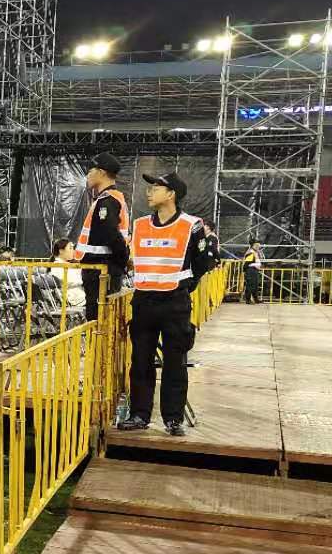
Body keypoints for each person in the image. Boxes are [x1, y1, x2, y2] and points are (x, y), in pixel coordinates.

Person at [117, 172, 214, 437]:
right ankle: (139, 415)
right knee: (140, 361)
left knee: (175, 363)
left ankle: (173, 419)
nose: (149, 192)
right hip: (144, 302)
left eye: (156, 188)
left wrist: (184, 286)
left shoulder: (191, 225)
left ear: (171, 194)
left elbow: (203, 262)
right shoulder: (140, 225)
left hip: (174, 303)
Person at [74, 152, 130, 321]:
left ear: (101, 172)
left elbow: (111, 235)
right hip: (103, 268)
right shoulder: (110, 198)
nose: (88, 175)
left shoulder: (107, 201)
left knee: (99, 319)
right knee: (103, 317)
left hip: (102, 270)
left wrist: (123, 259)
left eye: (90, 171)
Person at [52, 237, 86, 309]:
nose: (73, 251)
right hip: (74, 298)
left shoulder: (67, 264)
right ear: (61, 251)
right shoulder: (57, 266)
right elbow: (72, 281)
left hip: (78, 295)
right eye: (70, 248)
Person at [242, 239, 264, 304]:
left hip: (254, 270)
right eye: (257, 245)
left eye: (259, 245)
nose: (258, 246)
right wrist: (251, 268)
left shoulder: (255, 252)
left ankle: (256, 299)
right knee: (250, 285)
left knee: (255, 285)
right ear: (253, 245)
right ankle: (248, 300)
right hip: (251, 271)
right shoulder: (251, 252)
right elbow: (246, 264)